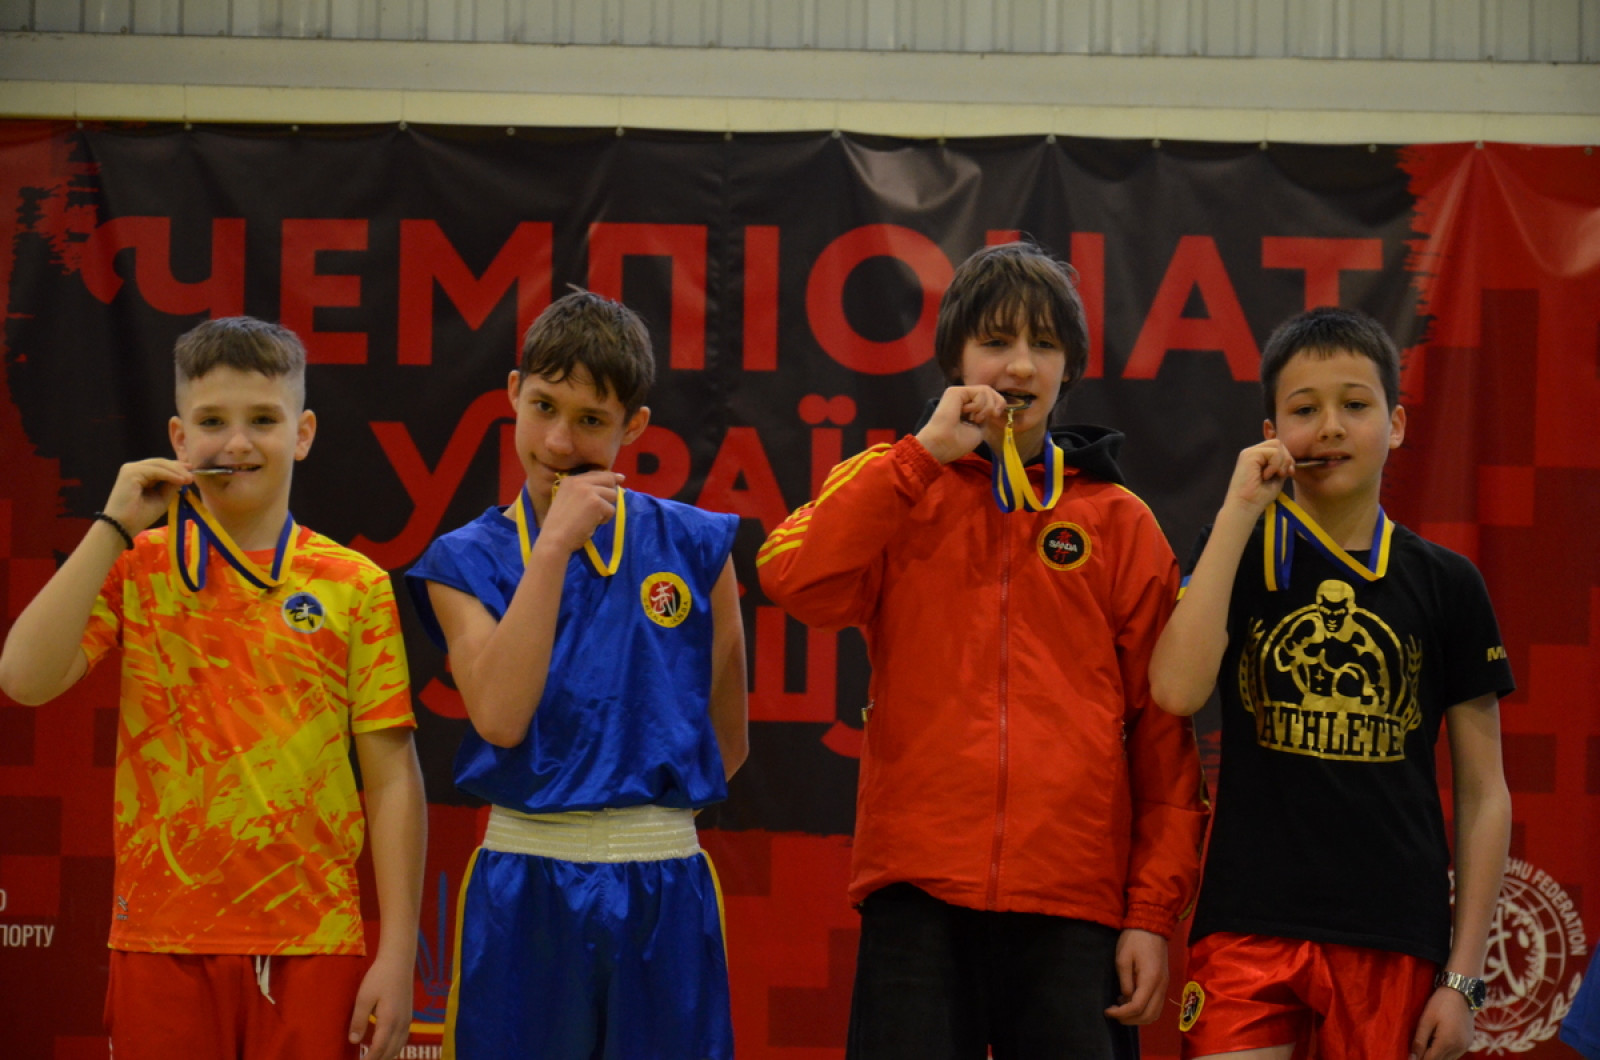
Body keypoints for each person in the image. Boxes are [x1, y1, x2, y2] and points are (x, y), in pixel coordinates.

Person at [757, 241, 1209, 1060]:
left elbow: (1161, 734)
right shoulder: (898, 484)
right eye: (996, 341)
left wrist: (1149, 914)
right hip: (918, 898)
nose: (1020, 365)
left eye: (1044, 344)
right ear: (955, 361)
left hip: (1074, 903)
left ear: (1070, 368)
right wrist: (921, 458)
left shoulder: (1119, 521)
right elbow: (792, 579)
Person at [0, 316, 427, 1060]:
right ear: (178, 438)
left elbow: (392, 780)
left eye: (263, 420)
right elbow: (24, 679)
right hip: (162, 936)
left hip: (313, 940)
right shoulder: (138, 566)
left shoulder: (353, 584)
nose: (236, 443)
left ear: (303, 433)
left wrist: (396, 952)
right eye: (211, 422)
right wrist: (111, 526)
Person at [1148, 306, 1513, 1060]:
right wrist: (1237, 511)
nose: (1331, 428)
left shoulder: (1447, 584)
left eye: (1355, 405)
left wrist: (1463, 977)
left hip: (1392, 933)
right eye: (1305, 410)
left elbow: (1485, 795)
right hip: (1247, 922)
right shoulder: (1237, 551)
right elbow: (1177, 692)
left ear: (1397, 424)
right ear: (1271, 432)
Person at [406, 289, 748, 1060]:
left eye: (591, 420)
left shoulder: (697, 546)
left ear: (634, 427)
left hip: (663, 880)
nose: (559, 442)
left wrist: (637, 823)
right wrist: (554, 546)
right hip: (525, 880)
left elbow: (727, 740)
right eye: (543, 408)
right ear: (512, 394)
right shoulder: (462, 560)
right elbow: (499, 718)